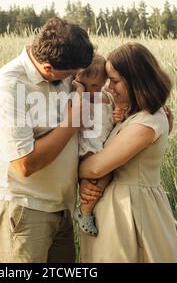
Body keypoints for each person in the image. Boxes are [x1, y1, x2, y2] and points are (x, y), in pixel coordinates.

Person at [0, 17, 99, 262]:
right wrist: (71, 123)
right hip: (23, 211)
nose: (76, 80)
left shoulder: (63, 74)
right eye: (72, 75)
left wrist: (152, 109)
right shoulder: (9, 87)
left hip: (60, 210)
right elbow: (24, 163)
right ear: (47, 68)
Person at [79, 42, 177, 262]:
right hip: (117, 208)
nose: (108, 88)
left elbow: (97, 167)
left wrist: (70, 169)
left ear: (136, 80)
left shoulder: (147, 122)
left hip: (131, 212)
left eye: (115, 81)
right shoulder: (133, 115)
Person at [71, 54, 125, 236]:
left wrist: (118, 115)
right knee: (97, 175)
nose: (96, 90)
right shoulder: (79, 98)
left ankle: (85, 208)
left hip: (104, 144)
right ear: (79, 79)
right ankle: (85, 211)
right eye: (92, 85)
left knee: (105, 174)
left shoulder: (107, 97)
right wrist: (78, 90)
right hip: (88, 146)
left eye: (100, 86)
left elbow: (115, 115)